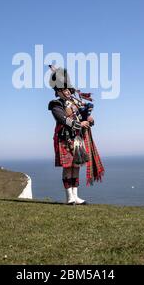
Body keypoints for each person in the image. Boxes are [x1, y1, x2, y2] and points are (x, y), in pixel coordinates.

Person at [48, 67, 104, 205]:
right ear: (58, 92)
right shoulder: (55, 104)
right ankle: (69, 197)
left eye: (68, 89)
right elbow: (63, 120)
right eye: (65, 90)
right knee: (68, 167)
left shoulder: (76, 103)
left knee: (76, 167)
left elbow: (84, 117)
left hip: (77, 139)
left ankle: (75, 196)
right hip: (64, 139)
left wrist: (90, 120)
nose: (68, 92)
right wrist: (81, 124)